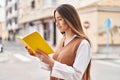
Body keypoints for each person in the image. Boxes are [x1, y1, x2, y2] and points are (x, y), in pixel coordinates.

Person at [26, 4, 92, 80]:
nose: (57, 24)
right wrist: (38, 55)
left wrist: (51, 62)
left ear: (70, 19)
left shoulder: (83, 43)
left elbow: (77, 75)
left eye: (60, 19)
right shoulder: (62, 40)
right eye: (55, 20)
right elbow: (53, 68)